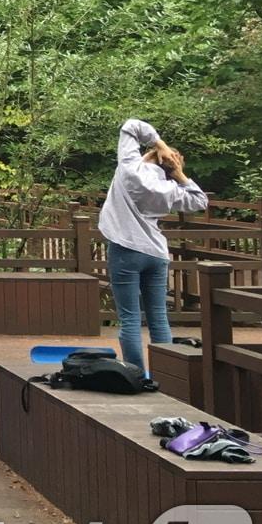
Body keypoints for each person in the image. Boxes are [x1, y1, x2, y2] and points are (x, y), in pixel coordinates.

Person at [97, 118, 208, 373]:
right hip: (156, 253)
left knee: (130, 318)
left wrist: (160, 143)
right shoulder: (169, 188)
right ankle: (168, 375)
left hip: (125, 249)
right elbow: (200, 201)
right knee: (158, 316)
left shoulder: (129, 169)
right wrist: (179, 175)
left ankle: (136, 374)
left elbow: (131, 125)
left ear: (150, 154)